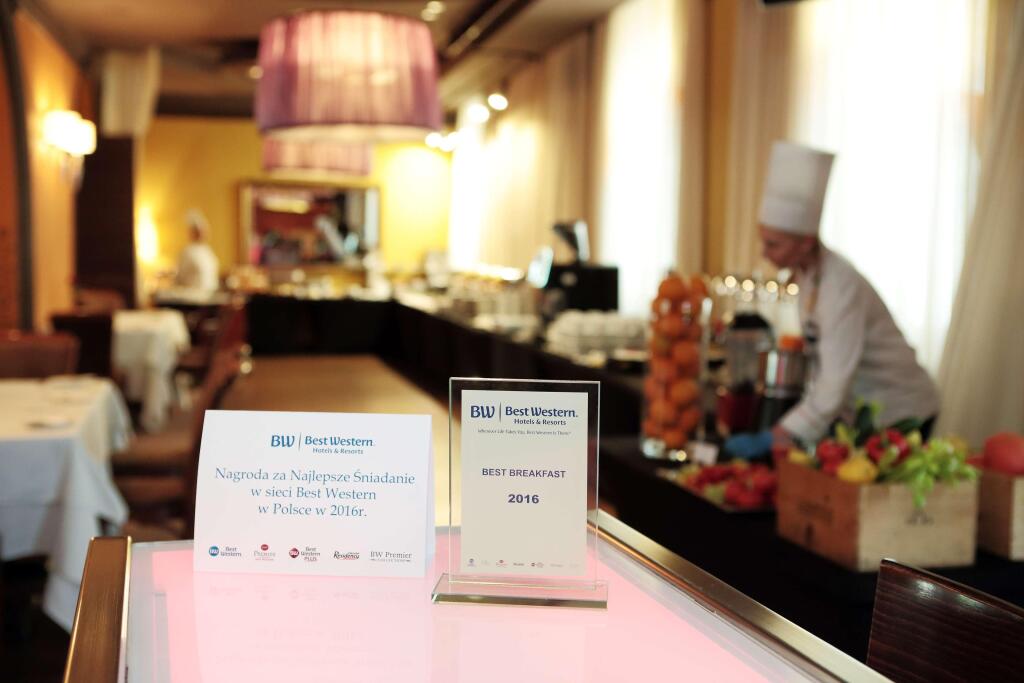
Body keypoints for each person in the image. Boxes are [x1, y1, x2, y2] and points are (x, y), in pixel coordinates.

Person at [726, 141, 939, 457]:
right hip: (861, 411)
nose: (765, 253)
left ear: (805, 242)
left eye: (774, 244)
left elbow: (834, 383)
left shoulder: (840, 288)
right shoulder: (808, 275)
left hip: (900, 410)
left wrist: (779, 435)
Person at [176, 209, 220, 293]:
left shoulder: (208, 251)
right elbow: (181, 277)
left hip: (211, 294)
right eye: (198, 231)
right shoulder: (187, 252)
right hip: (194, 296)